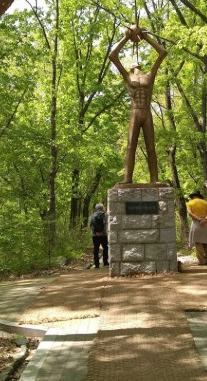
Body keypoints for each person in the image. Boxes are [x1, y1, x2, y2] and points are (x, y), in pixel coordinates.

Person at [109, 24, 168, 184]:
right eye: (135, 65)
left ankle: (154, 179)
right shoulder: (128, 77)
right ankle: (127, 178)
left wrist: (146, 37)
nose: (137, 66)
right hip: (135, 112)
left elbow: (162, 53)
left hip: (147, 112)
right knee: (131, 146)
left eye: (138, 65)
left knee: (151, 147)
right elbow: (113, 56)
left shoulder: (149, 76)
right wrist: (126, 37)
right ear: (131, 68)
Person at [187, 190, 207, 265]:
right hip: (205, 224)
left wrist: (199, 219)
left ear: (193, 196)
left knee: (197, 242)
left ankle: (201, 261)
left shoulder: (190, 203)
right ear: (199, 196)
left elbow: (190, 213)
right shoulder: (205, 202)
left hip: (196, 223)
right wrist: (205, 220)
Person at [88, 203, 109, 268]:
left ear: (96, 208)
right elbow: (107, 224)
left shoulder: (92, 216)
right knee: (105, 247)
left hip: (94, 235)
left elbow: (90, 225)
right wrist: (102, 232)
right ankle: (105, 262)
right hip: (103, 234)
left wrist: (95, 232)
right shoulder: (105, 215)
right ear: (102, 208)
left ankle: (97, 264)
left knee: (96, 248)